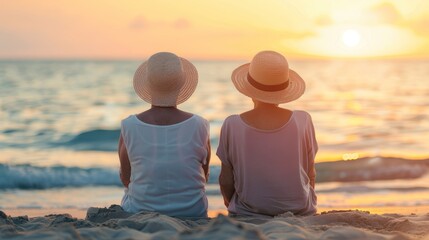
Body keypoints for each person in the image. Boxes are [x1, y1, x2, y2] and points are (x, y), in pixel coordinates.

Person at [216, 50, 318, 217]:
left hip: (248, 212)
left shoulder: (232, 124)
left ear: (249, 89)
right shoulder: (303, 120)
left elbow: (226, 180)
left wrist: (230, 202)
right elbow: (310, 173)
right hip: (300, 211)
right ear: (284, 90)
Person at [118, 52, 210, 218]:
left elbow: (125, 178)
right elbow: (205, 175)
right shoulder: (200, 124)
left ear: (148, 84)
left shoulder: (129, 125)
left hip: (140, 210)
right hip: (193, 211)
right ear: (181, 85)